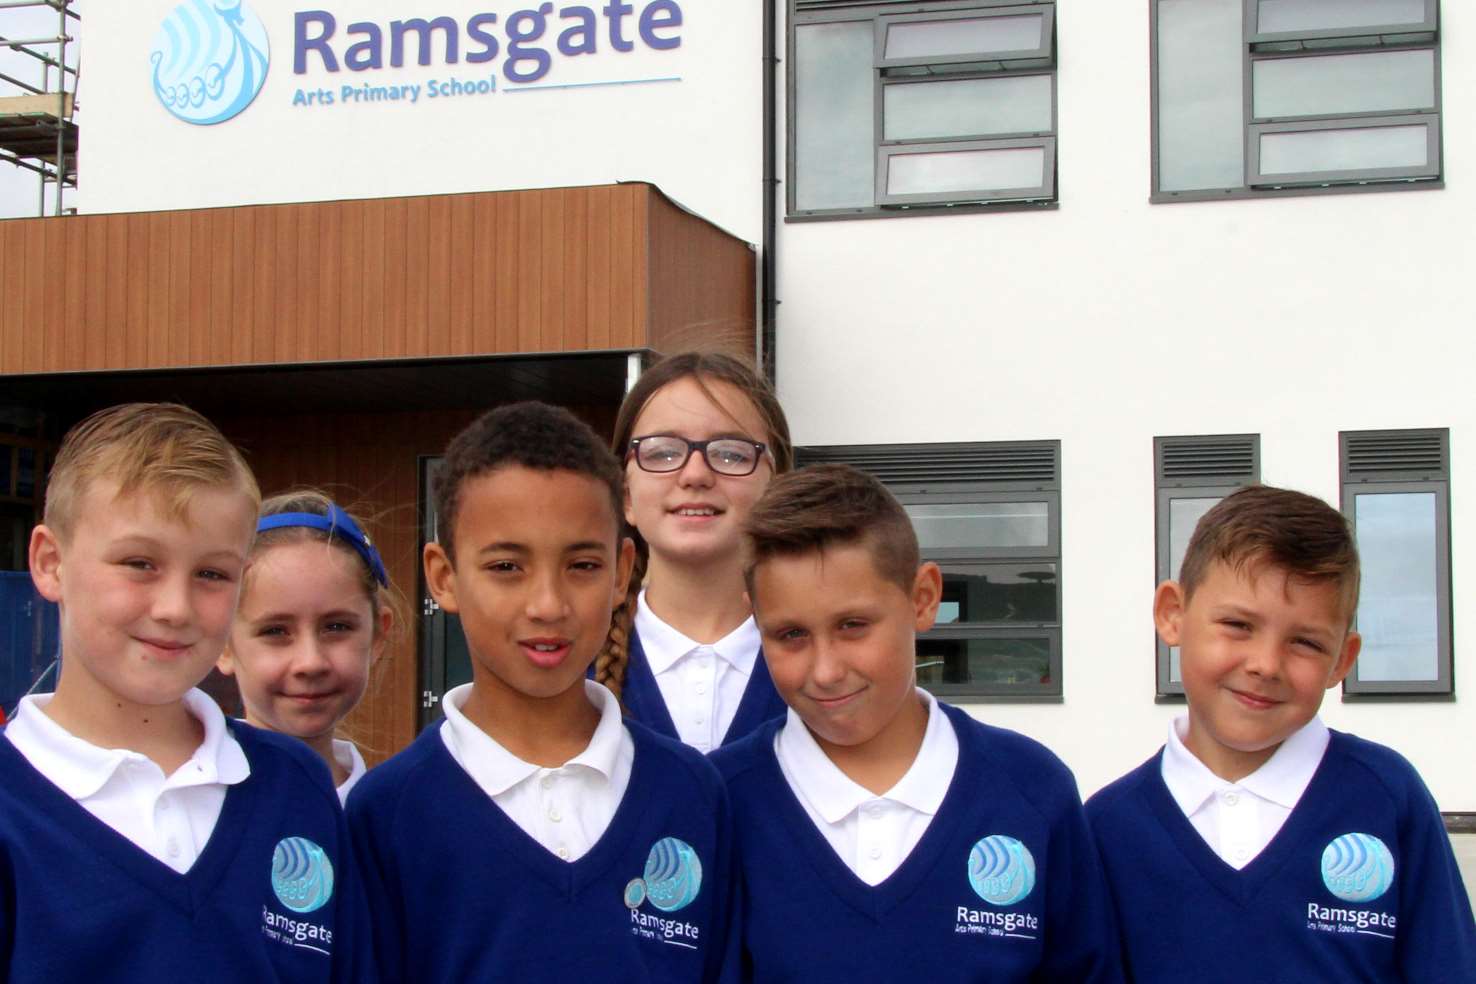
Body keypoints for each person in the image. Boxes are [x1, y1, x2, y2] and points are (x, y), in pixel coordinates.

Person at [348, 401, 737, 983]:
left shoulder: (690, 792)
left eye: (581, 565)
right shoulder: (387, 813)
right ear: (443, 576)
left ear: (621, 571)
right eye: (507, 566)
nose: (548, 605)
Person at [0, 403, 368, 982]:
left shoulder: (294, 786)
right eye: (140, 563)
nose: (175, 609)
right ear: (50, 563)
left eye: (212, 574)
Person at [713, 464, 1123, 982]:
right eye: (791, 634)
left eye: (853, 626)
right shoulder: (719, 802)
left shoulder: (1032, 791)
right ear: (756, 621)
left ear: (923, 597)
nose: (826, 670)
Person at [1086, 484, 1476, 982]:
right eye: (1237, 625)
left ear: (1343, 659)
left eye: (1305, 642)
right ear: (1172, 614)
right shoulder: (1104, 829)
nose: (1266, 665)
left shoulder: (1387, 797)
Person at [597, 351, 792, 752]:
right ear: (626, 494)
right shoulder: (567, 672)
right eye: (662, 452)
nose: (696, 474)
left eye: (732, 453)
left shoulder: (827, 667)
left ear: (778, 489)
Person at [218, 491, 402, 803]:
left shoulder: (390, 818)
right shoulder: (189, 809)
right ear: (223, 644)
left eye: (336, 627)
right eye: (275, 631)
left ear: (376, 636)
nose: (310, 662)